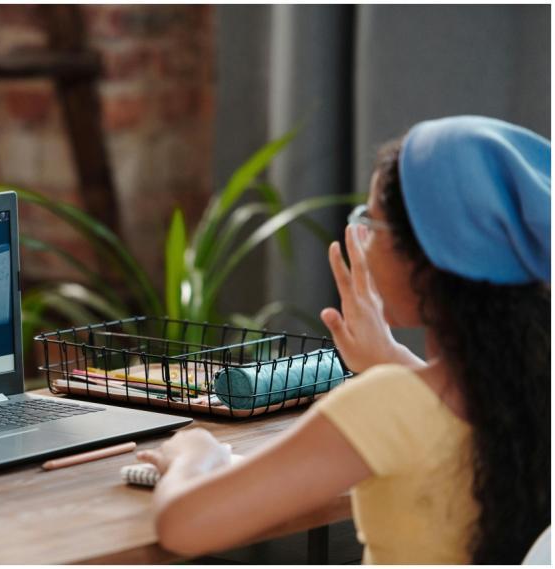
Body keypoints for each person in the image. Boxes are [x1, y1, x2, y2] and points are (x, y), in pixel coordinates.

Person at [137, 116, 550, 564]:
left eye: (370, 223)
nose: (361, 240)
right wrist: (391, 359)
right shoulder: (532, 394)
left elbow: (184, 525)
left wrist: (192, 451)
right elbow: (456, 420)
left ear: (423, 259)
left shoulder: (386, 405)